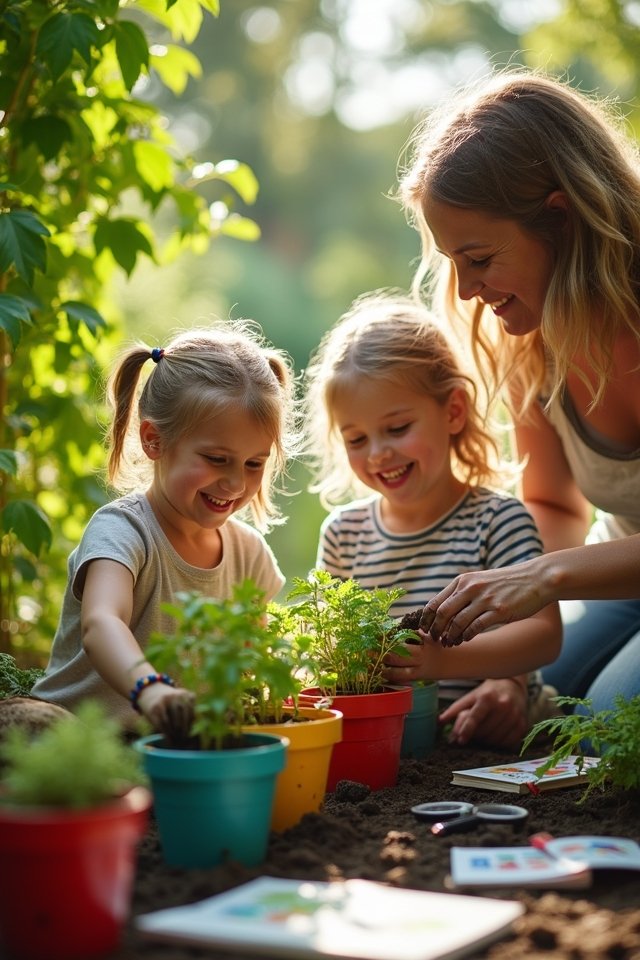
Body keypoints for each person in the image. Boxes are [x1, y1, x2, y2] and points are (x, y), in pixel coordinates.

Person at [398, 67, 640, 716]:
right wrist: (511, 670)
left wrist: (544, 577)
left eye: (478, 259)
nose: (468, 290)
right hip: (625, 581)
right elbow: (553, 506)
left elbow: (552, 566)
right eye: (454, 264)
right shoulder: (528, 341)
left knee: (600, 723)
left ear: (559, 220)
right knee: (543, 696)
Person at [304, 289, 561, 748]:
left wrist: (445, 665)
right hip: (388, 750)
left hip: (486, 744)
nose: (379, 453)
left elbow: (543, 637)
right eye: (356, 438)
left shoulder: (498, 521)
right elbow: (328, 652)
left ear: (454, 411)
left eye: (397, 428)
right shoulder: (344, 535)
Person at [32, 321, 297, 736]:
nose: (235, 484)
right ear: (154, 440)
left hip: (174, 751)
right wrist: (150, 689)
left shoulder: (250, 555)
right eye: (216, 458)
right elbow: (102, 622)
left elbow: (254, 660)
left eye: (254, 464)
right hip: (80, 743)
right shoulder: (122, 531)